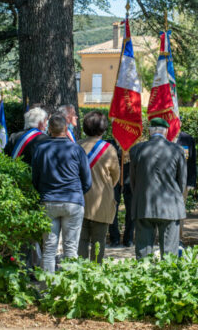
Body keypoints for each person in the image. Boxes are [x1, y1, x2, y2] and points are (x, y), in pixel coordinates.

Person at [31, 114, 92, 272]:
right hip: (73, 201)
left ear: (49, 129)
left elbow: (35, 179)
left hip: (49, 201)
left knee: (49, 249)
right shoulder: (76, 149)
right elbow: (87, 180)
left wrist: (45, 193)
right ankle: (69, 291)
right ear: (66, 128)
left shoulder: (41, 149)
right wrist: (77, 194)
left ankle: (47, 289)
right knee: (71, 249)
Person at [130, 118, 187, 259]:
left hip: (144, 204)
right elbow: (182, 181)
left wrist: (140, 195)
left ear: (149, 131)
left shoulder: (136, 149)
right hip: (170, 206)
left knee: (143, 255)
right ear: (166, 131)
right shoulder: (177, 150)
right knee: (169, 255)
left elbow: (133, 181)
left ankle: (143, 281)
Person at [78, 111, 120, 262]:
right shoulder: (109, 149)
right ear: (103, 128)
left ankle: (80, 272)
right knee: (99, 241)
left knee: (80, 240)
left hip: (79, 199)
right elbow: (115, 176)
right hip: (102, 200)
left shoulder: (77, 145)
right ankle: (95, 273)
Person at [107, 142, 134, 247]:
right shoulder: (110, 144)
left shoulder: (134, 142)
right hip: (114, 180)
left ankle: (129, 238)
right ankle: (114, 238)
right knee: (112, 209)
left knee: (131, 210)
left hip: (130, 179)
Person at [175, 130, 197, 242]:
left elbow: (192, 161)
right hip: (166, 182)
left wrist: (191, 182)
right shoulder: (165, 137)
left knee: (180, 209)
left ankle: (178, 237)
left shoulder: (187, 139)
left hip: (182, 182)